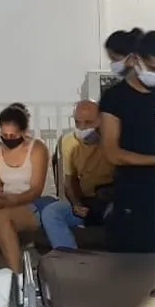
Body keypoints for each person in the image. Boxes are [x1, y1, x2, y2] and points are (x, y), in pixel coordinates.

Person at [98, 30, 155, 253]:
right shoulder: (114, 98)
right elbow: (112, 153)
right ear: (136, 59)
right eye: (153, 69)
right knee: (129, 261)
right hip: (130, 193)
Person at [0, 103, 51, 271]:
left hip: (34, 202)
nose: (8, 139)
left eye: (13, 135)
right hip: (7, 200)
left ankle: (16, 273)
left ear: (23, 132)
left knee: (0, 217)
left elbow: (36, 190)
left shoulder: (37, 149)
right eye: (4, 135)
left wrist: (9, 201)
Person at [39, 100, 112, 250]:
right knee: (51, 212)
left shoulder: (114, 139)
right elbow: (69, 180)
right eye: (78, 122)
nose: (83, 127)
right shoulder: (68, 142)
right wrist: (76, 204)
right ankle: (69, 256)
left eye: (89, 122)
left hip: (111, 200)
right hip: (86, 201)